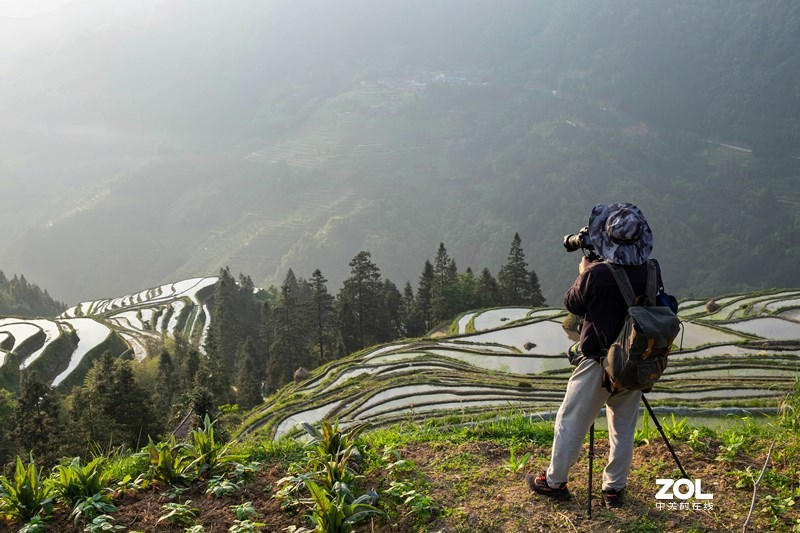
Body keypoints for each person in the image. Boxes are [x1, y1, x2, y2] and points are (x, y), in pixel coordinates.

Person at [526, 203, 666, 509]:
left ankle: (554, 482)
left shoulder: (598, 273)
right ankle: (614, 488)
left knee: (570, 420)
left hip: (597, 362)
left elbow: (572, 304)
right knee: (623, 428)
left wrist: (585, 269)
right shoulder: (651, 268)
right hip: (632, 363)